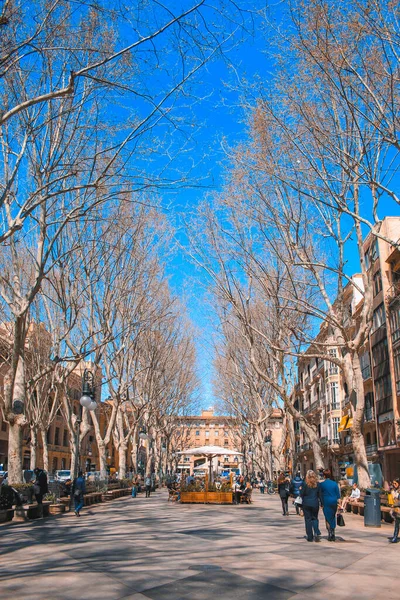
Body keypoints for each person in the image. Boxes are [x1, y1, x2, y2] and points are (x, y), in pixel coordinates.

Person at [319, 469, 341, 542]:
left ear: (324, 476)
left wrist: (321, 503)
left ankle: (329, 533)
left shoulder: (322, 484)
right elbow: (338, 495)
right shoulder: (334, 484)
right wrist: (339, 504)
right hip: (333, 501)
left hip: (326, 501)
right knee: (332, 516)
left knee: (327, 517)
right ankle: (333, 531)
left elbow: (320, 495)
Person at [300, 470, 322, 542]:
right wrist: (321, 503)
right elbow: (320, 495)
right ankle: (316, 532)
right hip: (315, 503)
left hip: (306, 503)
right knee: (315, 518)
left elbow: (302, 494)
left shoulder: (305, 484)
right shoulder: (317, 484)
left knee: (308, 520)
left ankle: (310, 536)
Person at [388, 479, 400, 543]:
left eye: (395, 483)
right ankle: (395, 536)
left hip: (398, 508)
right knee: (397, 524)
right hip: (397, 510)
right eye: (393, 483)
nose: (394, 485)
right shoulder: (393, 491)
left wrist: (394, 504)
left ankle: (395, 537)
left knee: (397, 523)